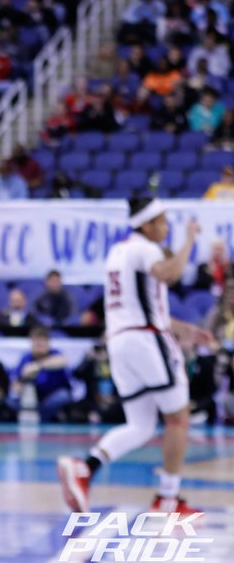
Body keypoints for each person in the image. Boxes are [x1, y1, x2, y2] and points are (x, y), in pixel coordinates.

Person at [59, 199, 211, 514]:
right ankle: (168, 498)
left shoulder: (119, 252)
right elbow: (169, 273)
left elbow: (142, 308)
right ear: (146, 224)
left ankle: (85, 469)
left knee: (141, 425)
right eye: (162, 222)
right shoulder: (146, 249)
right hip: (146, 340)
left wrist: (186, 330)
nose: (167, 228)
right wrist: (190, 240)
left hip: (121, 342)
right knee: (178, 418)